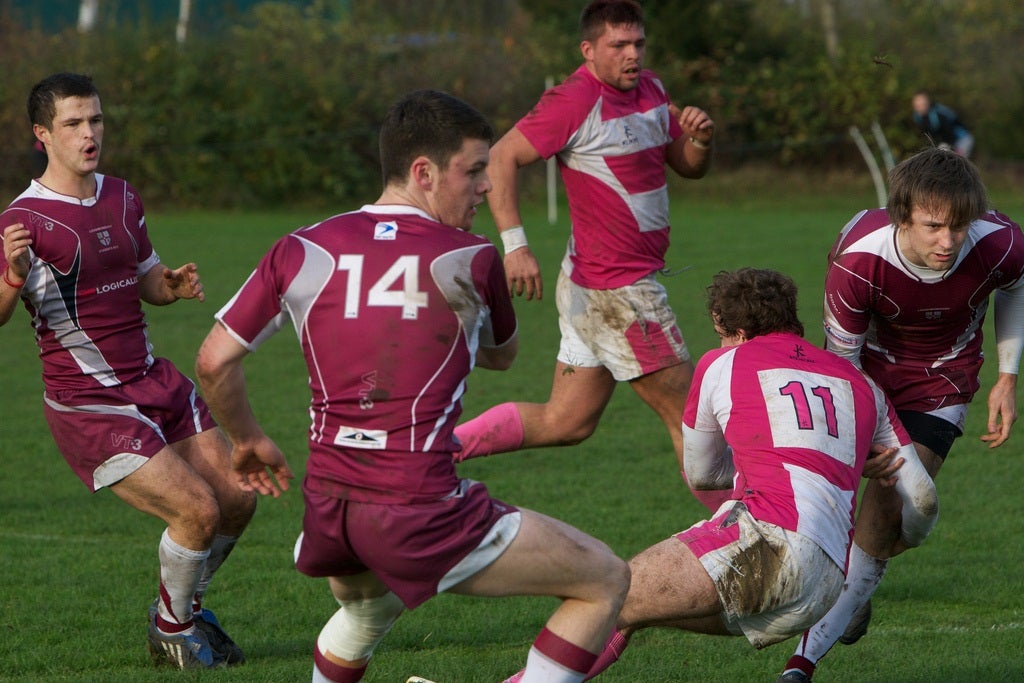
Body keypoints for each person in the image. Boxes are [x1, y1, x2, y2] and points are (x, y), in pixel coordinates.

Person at [193, 89, 630, 683]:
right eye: (474, 170)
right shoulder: (473, 258)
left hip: (328, 508)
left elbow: (215, 361)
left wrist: (245, 440)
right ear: (423, 172)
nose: (486, 187)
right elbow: (502, 357)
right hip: (415, 507)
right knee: (604, 580)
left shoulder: (299, 247)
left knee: (369, 608)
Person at [502, 267, 938, 683]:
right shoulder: (861, 382)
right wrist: (907, 539)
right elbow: (922, 498)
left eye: (721, 333)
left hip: (768, 544)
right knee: (628, 612)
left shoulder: (723, 362)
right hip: (826, 587)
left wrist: (759, 459)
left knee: (607, 590)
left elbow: (703, 472)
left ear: (736, 331)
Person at [0, 72, 256, 669]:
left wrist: (168, 286)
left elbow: (145, 279)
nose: (89, 133)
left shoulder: (122, 195)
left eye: (96, 120)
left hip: (152, 379)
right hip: (87, 402)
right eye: (73, 124)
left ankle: (182, 610)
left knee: (238, 495)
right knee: (196, 510)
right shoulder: (23, 220)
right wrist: (12, 274)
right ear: (43, 135)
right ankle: (174, 628)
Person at [451, 0, 723, 508]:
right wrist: (515, 247)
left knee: (566, 420)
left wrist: (701, 141)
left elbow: (687, 166)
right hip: (617, 291)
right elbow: (504, 155)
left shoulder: (654, 90)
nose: (631, 54)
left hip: (592, 285)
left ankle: (435, 453)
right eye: (618, 45)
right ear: (589, 50)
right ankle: (755, 544)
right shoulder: (573, 100)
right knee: (693, 417)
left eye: (637, 43)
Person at [775, 147, 1024, 682]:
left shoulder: (1000, 241)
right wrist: (866, 439)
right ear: (901, 216)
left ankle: (854, 582)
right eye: (934, 226)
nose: (949, 241)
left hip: (944, 383)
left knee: (902, 509)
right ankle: (802, 664)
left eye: (960, 226)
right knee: (876, 512)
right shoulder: (858, 258)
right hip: (866, 379)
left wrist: (1008, 375)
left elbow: (1016, 287)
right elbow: (842, 363)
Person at [911, 90, 974, 158]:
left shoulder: (938, 114)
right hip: (946, 142)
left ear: (927, 102)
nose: (921, 107)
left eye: (923, 104)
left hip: (961, 139)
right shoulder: (918, 117)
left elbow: (949, 133)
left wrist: (952, 149)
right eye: (918, 105)